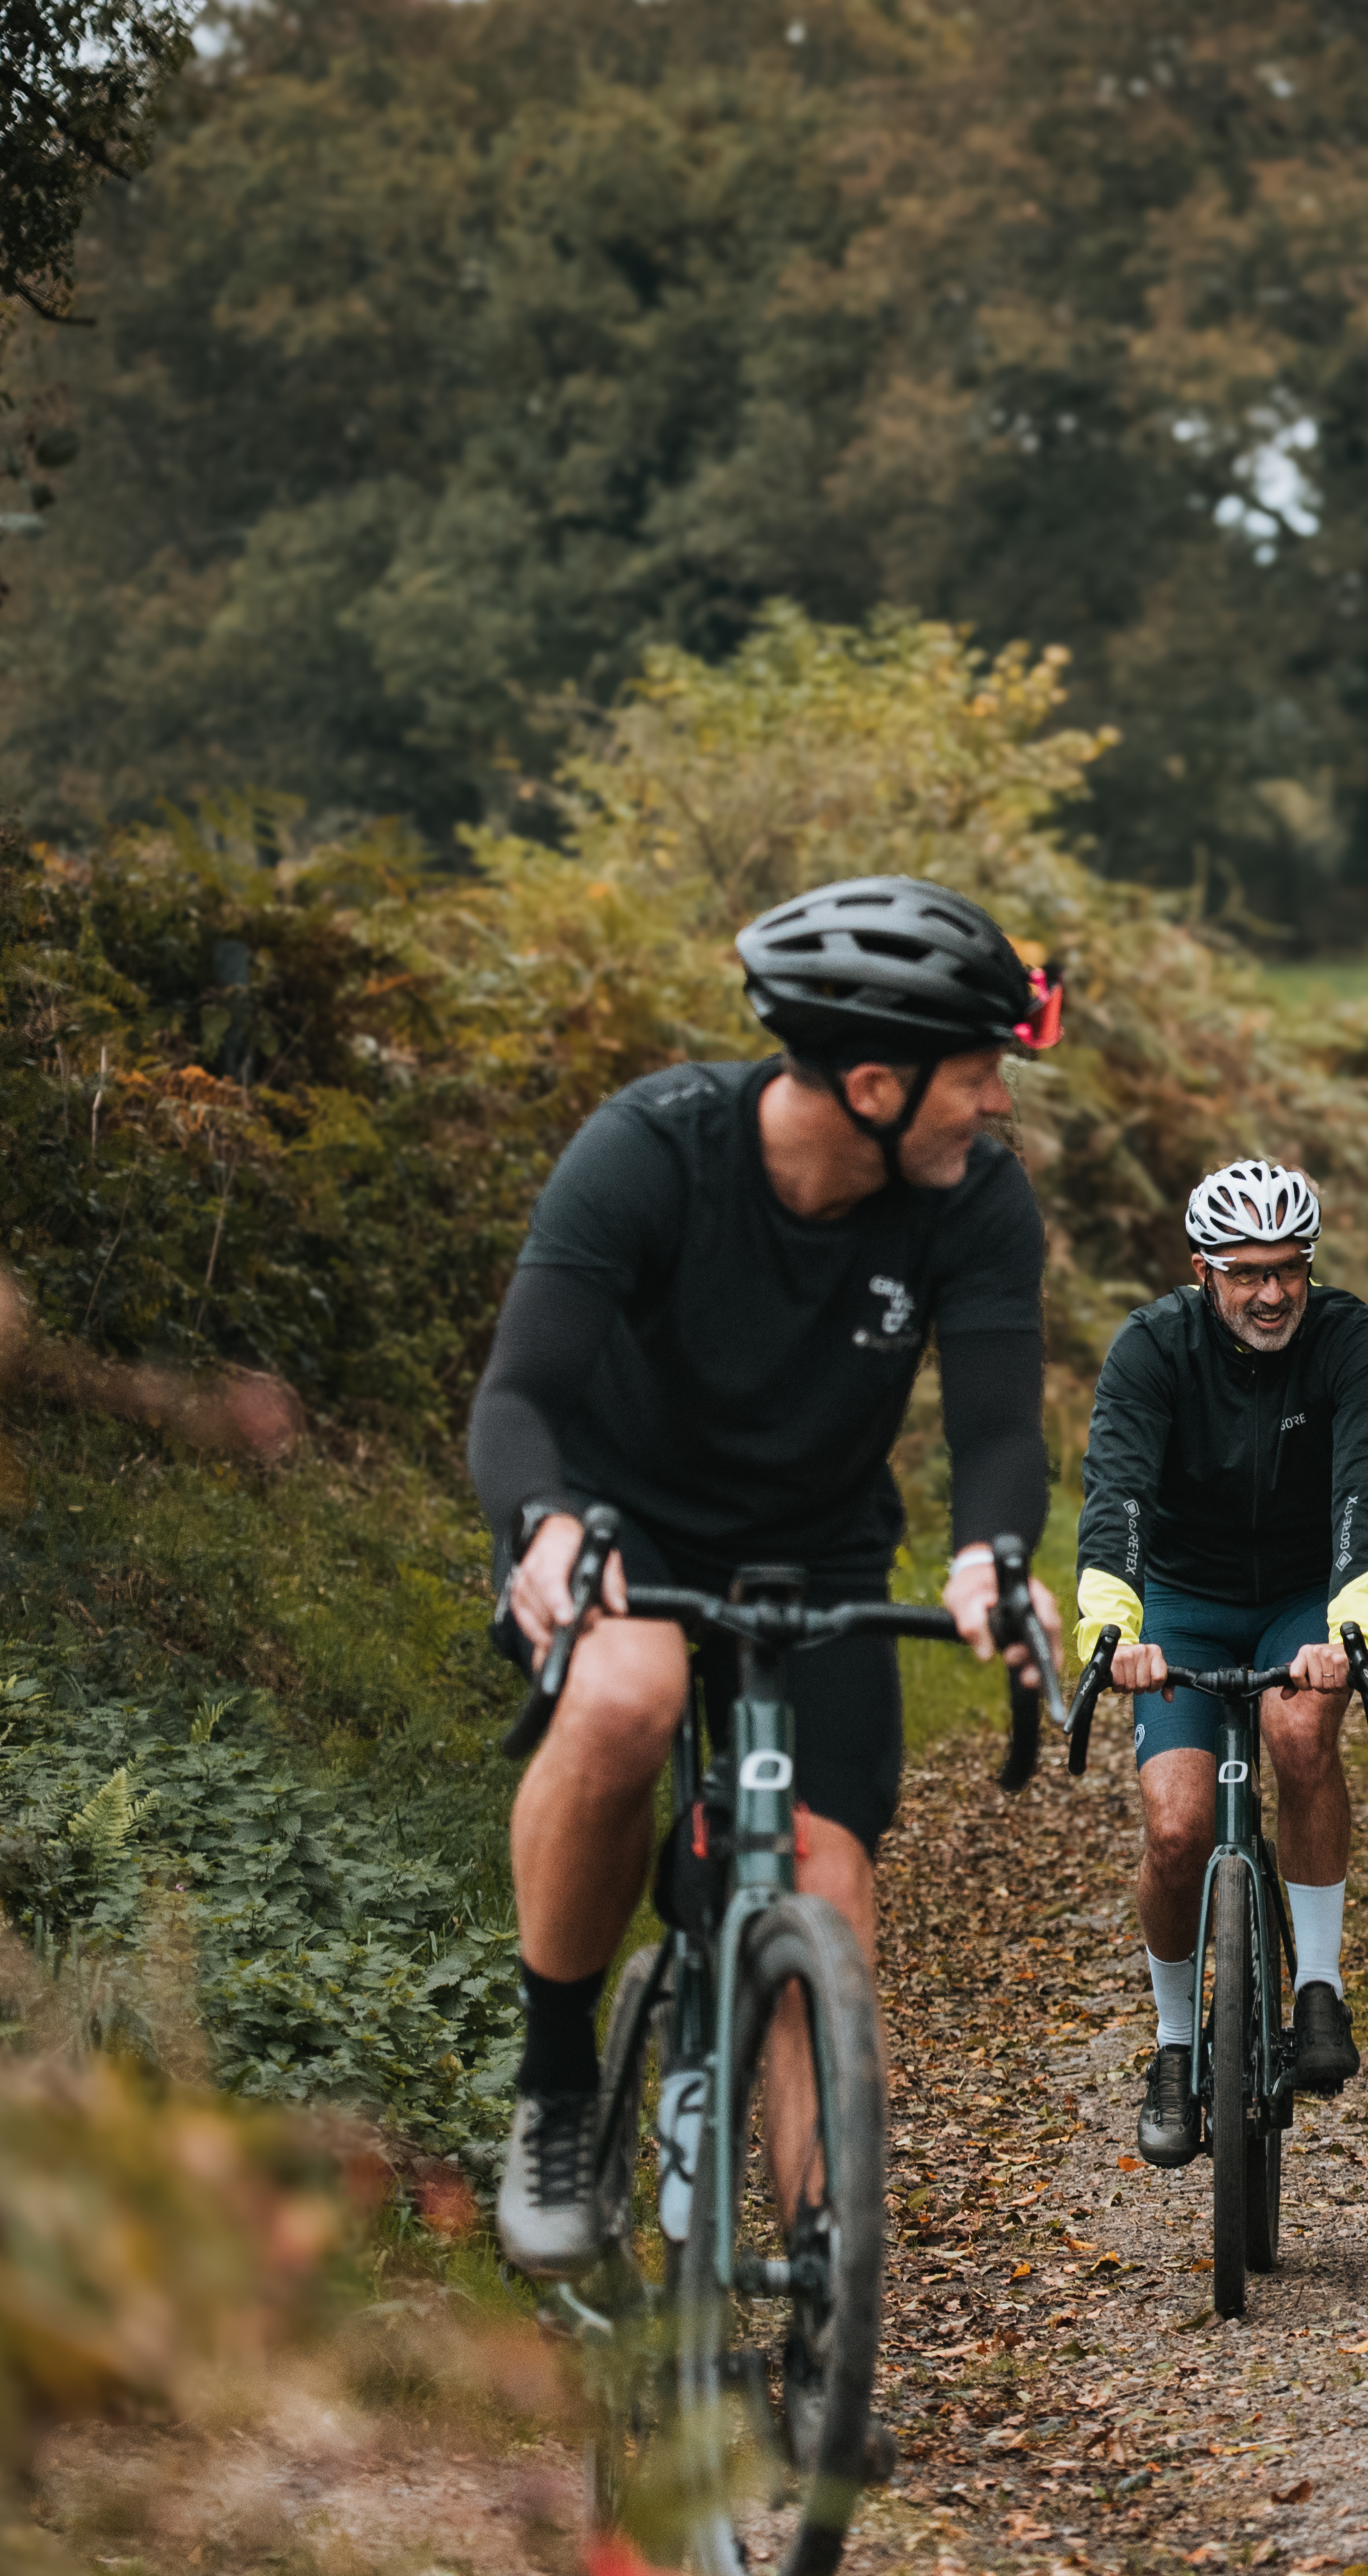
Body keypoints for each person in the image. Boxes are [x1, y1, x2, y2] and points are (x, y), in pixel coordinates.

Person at [468, 874, 1065, 2281]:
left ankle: (820, 2273)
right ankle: (557, 2094)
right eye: (975, 1076)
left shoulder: (975, 1198)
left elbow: (995, 1429)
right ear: (874, 1081)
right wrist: (545, 1523)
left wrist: (994, 1557)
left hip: (818, 1547)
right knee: (623, 1700)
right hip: (620, 1525)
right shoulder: (653, 1149)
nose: (994, 1104)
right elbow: (518, 1398)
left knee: (825, 1875)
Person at [1067, 1160, 1368, 2167]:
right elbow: (1117, 1496)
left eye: (1290, 1269)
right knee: (1176, 1831)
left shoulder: (1351, 1342)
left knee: (1300, 1734)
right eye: (1247, 1271)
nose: (1272, 1293)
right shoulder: (1152, 1347)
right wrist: (1114, 1631)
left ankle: (1319, 1988)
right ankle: (1175, 2047)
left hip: (1305, 1596)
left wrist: (1351, 1631)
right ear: (1203, 1271)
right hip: (1181, 1599)